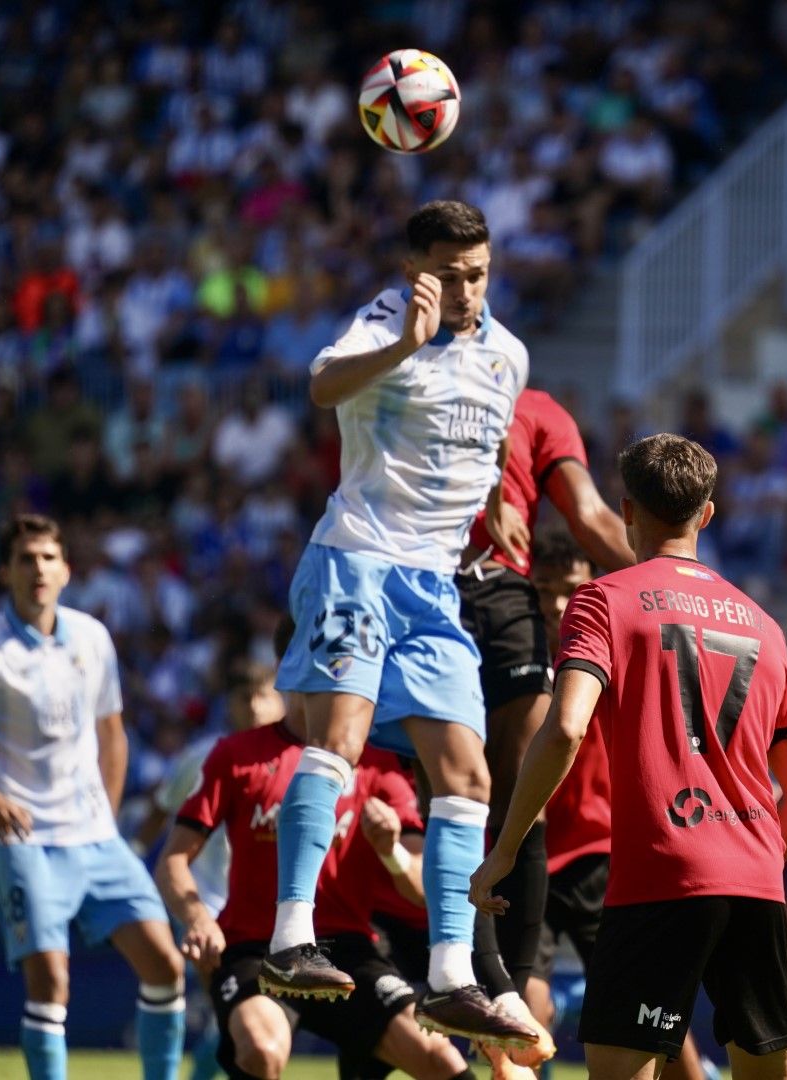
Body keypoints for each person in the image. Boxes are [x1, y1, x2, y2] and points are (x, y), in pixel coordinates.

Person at [262, 199, 538, 1047]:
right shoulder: (384, 321)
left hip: (434, 586)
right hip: (355, 558)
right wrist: (405, 345)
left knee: (468, 775)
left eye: (477, 273)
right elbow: (321, 388)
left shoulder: (509, 356)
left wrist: (496, 503)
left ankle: (452, 975)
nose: (465, 290)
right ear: (416, 268)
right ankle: (290, 939)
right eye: (449, 274)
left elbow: (479, 444)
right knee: (338, 740)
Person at [471, 433, 787, 1080]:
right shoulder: (763, 624)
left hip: (660, 874)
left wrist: (504, 851)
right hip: (755, 879)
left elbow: (563, 729)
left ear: (627, 510)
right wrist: (750, 862)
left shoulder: (603, 600)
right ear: (708, 513)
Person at [0, 514, 186, 1080]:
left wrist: (108, 819)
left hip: (96, 838)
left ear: (66, 569)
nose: (37, 568)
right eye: (25, 558)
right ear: (5, 572)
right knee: (52, 985)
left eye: (47, 557)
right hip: (26, 842)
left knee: (166, 965)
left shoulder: (92, 637)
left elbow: (113, 733)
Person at [154, 619, 474, 1080]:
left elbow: (424, 887)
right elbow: (174, 859)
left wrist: (392, 853)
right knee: (262, 1051)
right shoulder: (234, 755)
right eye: (332, 660)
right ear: (291, 668)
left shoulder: (377, 763)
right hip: (255, 949)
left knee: (443, 1061)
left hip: (347, 950)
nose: (344, 674)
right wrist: (198, 917)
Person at [457, 385, 635, 1052]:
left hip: (589, 851)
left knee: (642, 1015)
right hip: (418, 588)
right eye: (547, 592)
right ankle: (490, 988)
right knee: (461, 796)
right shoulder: (396, 383)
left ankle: (496, 990)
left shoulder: (533, 409)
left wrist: (675, 591)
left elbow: (588, 514)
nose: (559, 605)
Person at [521, 531, 709, 1080]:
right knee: (527, 1011)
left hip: (602, 853)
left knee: (655, 1018)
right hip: (528, 855)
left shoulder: (617, 637)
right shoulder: (507, 658)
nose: (556, 603)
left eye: (567, 589)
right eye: (542, 589)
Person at [134, 659, 287, 1080]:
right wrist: (131, 855)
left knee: (235, 1015)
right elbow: (160, 813)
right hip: (203, 906)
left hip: (261, 917)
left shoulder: (299, 763)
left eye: (264, 695)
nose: (255, 707)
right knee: (232, 1009)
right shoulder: (202, 757)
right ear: (230, 705)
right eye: (245, 698)